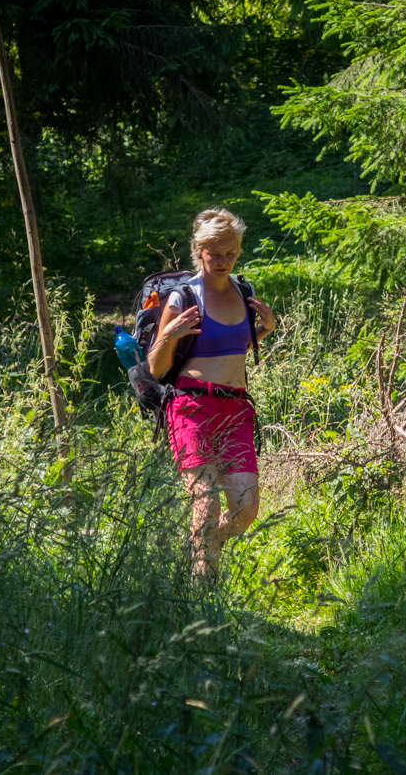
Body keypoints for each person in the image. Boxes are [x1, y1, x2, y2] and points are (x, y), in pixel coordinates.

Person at [146, 208, 276, 578]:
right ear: (198, 250)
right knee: (206, 501)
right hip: (190, 406)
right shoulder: (182, 298)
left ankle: (203, 548)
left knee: (246, 509)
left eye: (230, 253)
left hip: (235, 409)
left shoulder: (243, 292)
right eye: (214, 253)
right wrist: (169, 336)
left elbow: (232, 348)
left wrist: (266, 328)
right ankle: (203, 592)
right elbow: (155, 368)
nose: (223, 261)